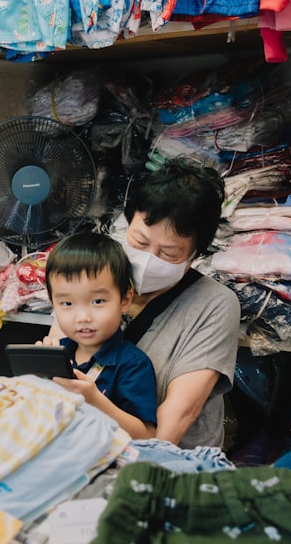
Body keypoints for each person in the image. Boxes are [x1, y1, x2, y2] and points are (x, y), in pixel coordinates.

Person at [47, 157, 240, 448]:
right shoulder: (97, 271)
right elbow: (61, 352)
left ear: (195, 254)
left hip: (165, 462)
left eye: (170, 253)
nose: (149, 259)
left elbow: (170, 429)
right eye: (139, 241)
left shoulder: (214, 305)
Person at [45, 231, 158, 440]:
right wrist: (38, 373)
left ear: (125, 300)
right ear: (52, 302)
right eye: (67, 303)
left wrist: (94, 399)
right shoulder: (59, 352)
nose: (83, 317)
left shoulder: (132, 364)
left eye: (97, 301)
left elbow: (147, 435)